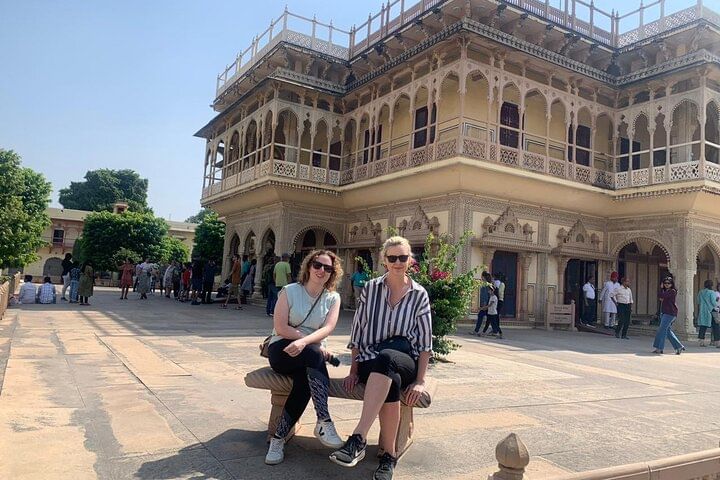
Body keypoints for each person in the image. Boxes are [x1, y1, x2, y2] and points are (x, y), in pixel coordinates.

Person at [330, 236, 432, 480]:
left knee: (388, 359)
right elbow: (358, 330)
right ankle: (389, 458)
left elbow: (425, 342)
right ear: (384, 260)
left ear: (410, 260)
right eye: (392, 258)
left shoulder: (419, 294)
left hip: (405, 359)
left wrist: (420, 381)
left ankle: (358, 438)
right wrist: (354, 370)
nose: (398, 262)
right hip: (371, 359)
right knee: (391, 381)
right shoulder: (371, 289)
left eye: (403, 257)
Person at [264, 249, 344, 465]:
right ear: (309, 266)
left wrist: (306, 343)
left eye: (328, 268)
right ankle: (324, 420)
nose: (321, 270)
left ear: (333, 273)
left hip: (310, 353)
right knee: (314, 354)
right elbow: (280, 327)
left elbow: (327, 328)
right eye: (317, 265)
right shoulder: (290, 291)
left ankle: (278, 439)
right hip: (283, 349)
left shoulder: (333, 298)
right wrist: (304, 341)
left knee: (304, 384)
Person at [653, 277, 684, 355]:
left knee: (662, 330)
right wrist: (662, 292)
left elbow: (661, 296)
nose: (666, 284)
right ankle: (679, 347)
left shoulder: (672, 291)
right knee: (667, 331)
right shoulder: (666, 291)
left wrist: (661, 289)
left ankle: (659, 348)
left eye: (668, 283)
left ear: (671, 284)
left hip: (670, 313)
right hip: (665, 312)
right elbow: (660, 296)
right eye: (665, 283)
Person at [696, 279, 718, 347]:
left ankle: (701, 342)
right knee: (715, 326)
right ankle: (716, 342)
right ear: (711, 285)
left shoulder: (701, 292)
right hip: (711, 311)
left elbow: (698, 301)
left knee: (703, 326)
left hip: (702, 311)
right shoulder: (712, 292)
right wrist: (717, 302)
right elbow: (713, 302)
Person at [472, 271, 492, 336]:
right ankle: (493, 330)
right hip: (488, 304)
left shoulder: (484, 284)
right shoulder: (488, 284)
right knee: (488, 318)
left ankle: (477, 331)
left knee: (481, 317)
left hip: (485, 304)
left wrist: (483, 304)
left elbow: (484, 295)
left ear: (483, 277)